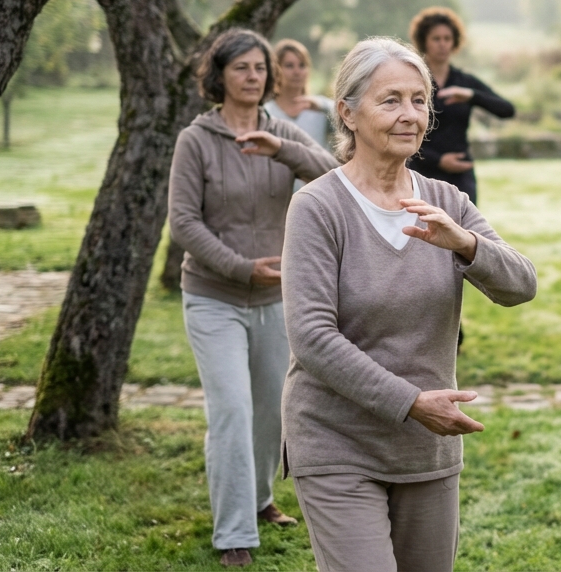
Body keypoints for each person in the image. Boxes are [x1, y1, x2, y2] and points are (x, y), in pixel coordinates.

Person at [281, 38, 537, 572]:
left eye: (419, 100)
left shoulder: (447, 203)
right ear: (348, 114)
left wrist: (465, 245)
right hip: (337, 443)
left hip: (426, 452)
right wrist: (412, 402)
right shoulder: (318, 207)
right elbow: (312, 337)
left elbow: (521, 284)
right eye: (390, 100)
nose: (410, 115)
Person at [168, 29, 339, 568]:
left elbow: (337, 177)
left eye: (260, 68)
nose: (253, 76)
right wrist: (243, 268)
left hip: (274, 299)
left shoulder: (280, 131)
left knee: (270, 411)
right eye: (241, 67)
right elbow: (184, 223)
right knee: (232, 410)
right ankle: (234, 533)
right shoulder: (195, 141)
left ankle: (261, 500)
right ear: (218, 76)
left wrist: (283, 149)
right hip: (213, 296)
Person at [407, 7, 515, 205]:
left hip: (461, 174)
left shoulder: (464, 82)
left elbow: (507, 110)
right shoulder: (413, 80)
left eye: (447, 38)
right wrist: (439, 161)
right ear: (424, 41)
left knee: (466, 232)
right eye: (436, 38)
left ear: (455, 41)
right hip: (422, 171)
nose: (442, 44)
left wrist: (472, 96)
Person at [264, 39, 334, 191]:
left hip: (319, 194)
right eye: (289, 65)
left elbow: (353, 122)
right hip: (278, 196)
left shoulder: (322, 108)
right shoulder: (266, 112)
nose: (297, 71)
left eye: (302, 65)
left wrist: (324, 107)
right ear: (276, 70)